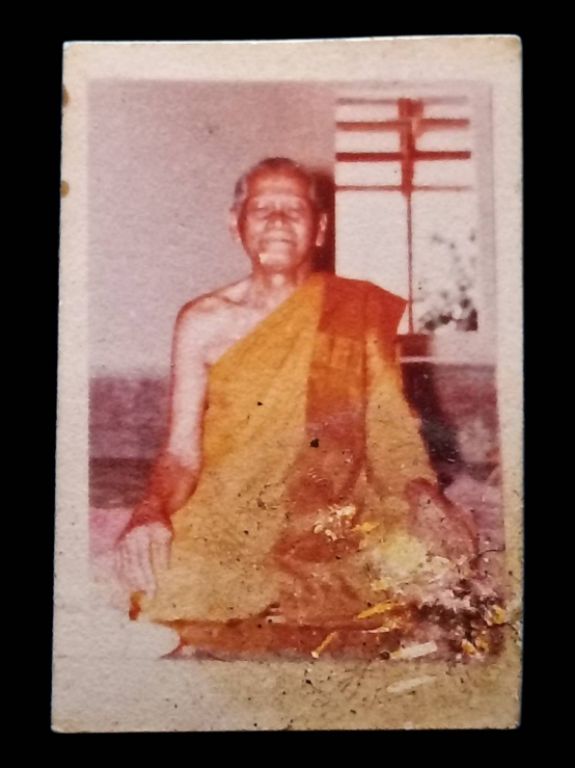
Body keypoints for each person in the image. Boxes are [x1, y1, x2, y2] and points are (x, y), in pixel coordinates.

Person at [116, 157, 499, 659]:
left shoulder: (356, 310)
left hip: (339, 511)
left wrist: (424, 494)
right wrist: (149, 511)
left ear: (319, 229)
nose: (277, 220)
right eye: (262, 209)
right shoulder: (202, 321)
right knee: (162, 571)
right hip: (234, 511)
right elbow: (181, 453)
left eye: (294, 209)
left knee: (434, 559)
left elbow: (390, 430)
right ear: (236, 224)